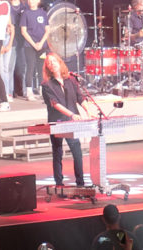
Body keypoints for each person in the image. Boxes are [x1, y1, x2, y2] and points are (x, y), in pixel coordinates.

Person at [41, 53, 93, 187]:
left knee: (77, 151)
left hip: (71, 123)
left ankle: (80, 183)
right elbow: (55, 103)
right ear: (47, 68)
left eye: (54, 61)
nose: (51, 64)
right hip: (57, 121)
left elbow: (80, 97)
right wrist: (72, 114)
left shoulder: (71, 80)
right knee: (58, 152)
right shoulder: (47, 85)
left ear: (60, 63)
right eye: (49, 63)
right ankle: (59, 183)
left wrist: (88, 110)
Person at [20, 0, 50, 101]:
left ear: (38, 0)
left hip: (42, 46)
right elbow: (24, 31)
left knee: (41, 68)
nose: (30, 1)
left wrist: (41, 43)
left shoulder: (43, 13)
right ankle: (29, 91)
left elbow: (47, 30)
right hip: (29, 46)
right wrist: (34, 44)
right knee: (30, 67)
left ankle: (42, 90)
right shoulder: (26, 13)